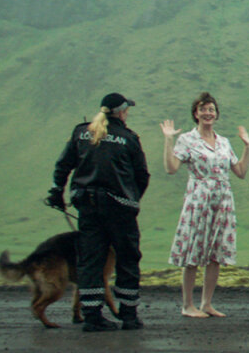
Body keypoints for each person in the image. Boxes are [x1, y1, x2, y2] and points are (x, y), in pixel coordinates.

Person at [46, 92, 150, 332]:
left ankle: (92, 316)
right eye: (127, 110)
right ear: (122, 112)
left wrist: (56, 193)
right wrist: (133, 199)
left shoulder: (81, 132)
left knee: (90, 261)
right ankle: (129, 315)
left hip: (88, 206)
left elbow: (63, 165)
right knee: (127, 258)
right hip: (121, 209)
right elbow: (141, 175)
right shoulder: (129, 138)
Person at [162, 92, 249, 318]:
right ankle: (187, 305)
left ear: (216, 114)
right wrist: (168, 139)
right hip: (199, 200)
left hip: (222, 200)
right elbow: (171, 168)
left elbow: (240, 172)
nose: (207, 113)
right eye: (203, 109)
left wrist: (247, 147)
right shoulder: (188, 140)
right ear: (196, 114)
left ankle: (207, 303)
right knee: (193, 251)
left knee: (216, 253)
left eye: (211, 109)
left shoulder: (223, 142)